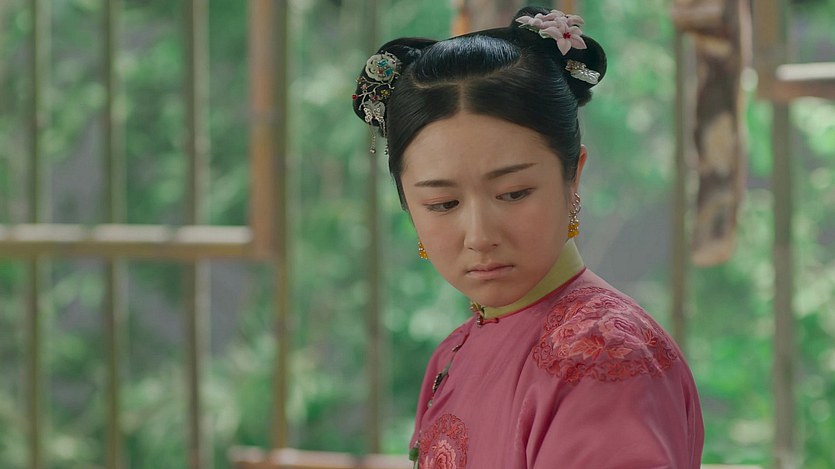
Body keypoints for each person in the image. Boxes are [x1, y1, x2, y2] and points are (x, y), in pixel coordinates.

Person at [352, 6, 704, 468]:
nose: (480, 236)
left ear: (573, 177)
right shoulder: (453, 352)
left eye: (514, 193)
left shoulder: (602, 353)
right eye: (443, 204)